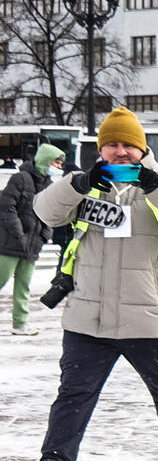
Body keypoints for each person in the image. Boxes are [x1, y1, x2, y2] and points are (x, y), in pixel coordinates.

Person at [8, 109, 158, 461]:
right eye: (112, 144)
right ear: (101, 148)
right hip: (89, 316)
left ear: (141, 147)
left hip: (146, 315)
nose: (120, 151)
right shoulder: (84, 185)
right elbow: (45, 211)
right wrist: (77, 184)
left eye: (127, 144)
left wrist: (157, 187)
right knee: (73, 394)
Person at [1, 143, 64, 336]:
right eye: (57, 163)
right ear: (45, 161)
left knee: (23, 286)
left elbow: (51, 214)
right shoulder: (20, 178)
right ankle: (19, 323)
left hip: (32, 245)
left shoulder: (50, 186)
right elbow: (6, 207)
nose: (59, 167)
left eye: (61, 164)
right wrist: (18, 233)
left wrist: (46, 235)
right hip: (9, 244)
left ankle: (20, 323)